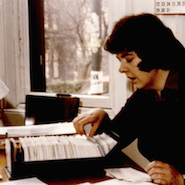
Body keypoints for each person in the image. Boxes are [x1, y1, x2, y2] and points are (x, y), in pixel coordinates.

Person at [73, 13, 185, 185]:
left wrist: (182, 180)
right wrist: (102, 117)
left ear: (153, 53)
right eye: (119, 60)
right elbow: (115, 138)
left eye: (128, 59)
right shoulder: (145, 95)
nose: (121, 69)